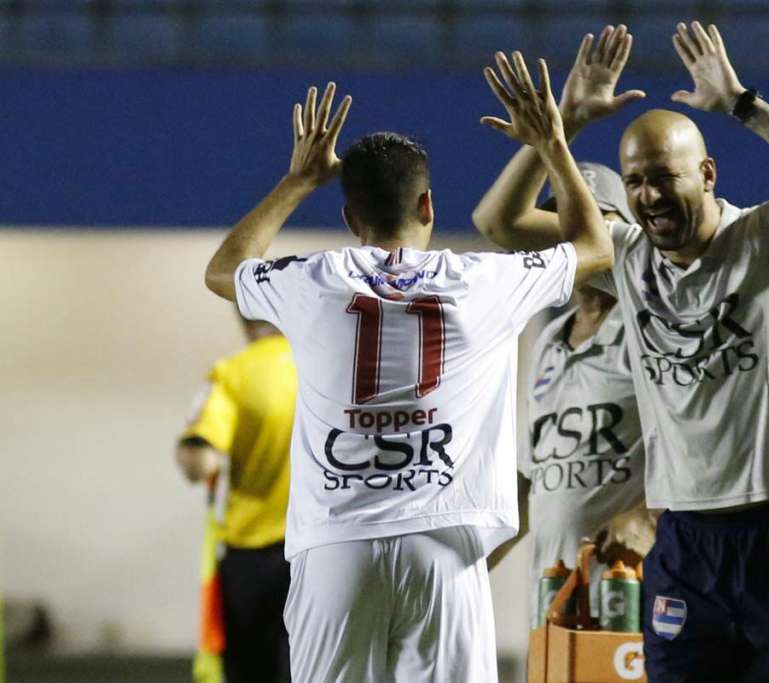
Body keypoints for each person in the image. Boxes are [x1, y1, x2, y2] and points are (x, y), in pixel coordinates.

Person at [481, 21, 769, 683]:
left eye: (664, 178)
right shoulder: (627, 258)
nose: (648, 196)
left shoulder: (768, 238)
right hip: (691, 544)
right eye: (636, 181)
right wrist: (569, 123)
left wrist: (740, 104)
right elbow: (499, 223)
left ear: (706, 172)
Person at [202, 58, 611, 682]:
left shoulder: (313, 280)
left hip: (335, 543)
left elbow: (224, 269)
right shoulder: (483, 280)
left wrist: (298, 180)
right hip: (443, 545)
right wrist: (553, 141)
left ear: (347, 218)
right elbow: (594, 246)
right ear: (427, 204)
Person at [477, 157, 655, 624]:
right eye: (562, 224)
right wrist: (468, 564)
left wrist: (649, 518)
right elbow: (531, 476)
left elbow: (704, 449)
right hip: (555, 597)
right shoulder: (548, 340)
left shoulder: (652, 329)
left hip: (636, 596)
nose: (576, 237)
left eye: (595, 222)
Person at [177, 315, 295, 683]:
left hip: (253, 559)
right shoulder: (331, 364)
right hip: (323, 553)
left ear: (245, 321)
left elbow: (199, 461)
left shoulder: (233, 373)